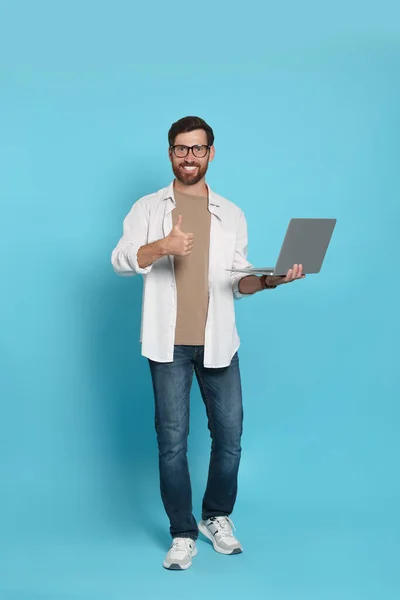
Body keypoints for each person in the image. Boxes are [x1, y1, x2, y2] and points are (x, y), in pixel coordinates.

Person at [111, 116, 304, 570]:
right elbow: (121, 260)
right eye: (181, 149)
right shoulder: (147, 208)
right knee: (173, 442)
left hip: (218, 340)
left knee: (231, 437)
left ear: (211, 153)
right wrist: (164, 245)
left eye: (198, 149)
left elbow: (238, 282)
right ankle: (182, 532)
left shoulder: (231, 213)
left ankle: (216, 516)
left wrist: (270, 281)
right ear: (171, 154)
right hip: (168, 344)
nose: (189, 156)